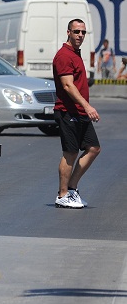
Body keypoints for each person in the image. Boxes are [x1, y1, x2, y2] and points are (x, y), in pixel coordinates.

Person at [52, 19, 101, 209]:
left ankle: (72, 189)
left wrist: (84, 108)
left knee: (93, 148)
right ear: (68, 32)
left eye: (83, 32)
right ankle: (62, 195)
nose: (80, 35)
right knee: (70, 153)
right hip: (67, 111)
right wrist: (87, 106)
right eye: (76, 32)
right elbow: (67, 85)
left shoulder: (75, 53)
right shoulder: (64, 56)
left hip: (79, 112)